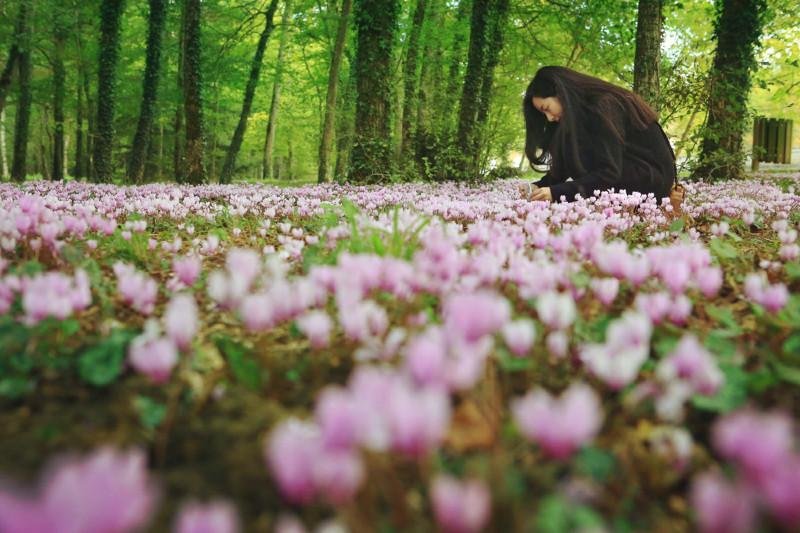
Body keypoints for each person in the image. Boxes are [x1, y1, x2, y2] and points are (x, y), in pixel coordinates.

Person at [520, 66, 676, 203]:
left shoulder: (603, 106)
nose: (549, 118)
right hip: (632, 174)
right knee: (569, 140)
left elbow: (608, 173)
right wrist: (540, 186)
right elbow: (566, 164)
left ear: (561, 93)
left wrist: (557, 193)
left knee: (573, 144)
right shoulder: (582, 116)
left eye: (546, 108)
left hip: (650, 181)